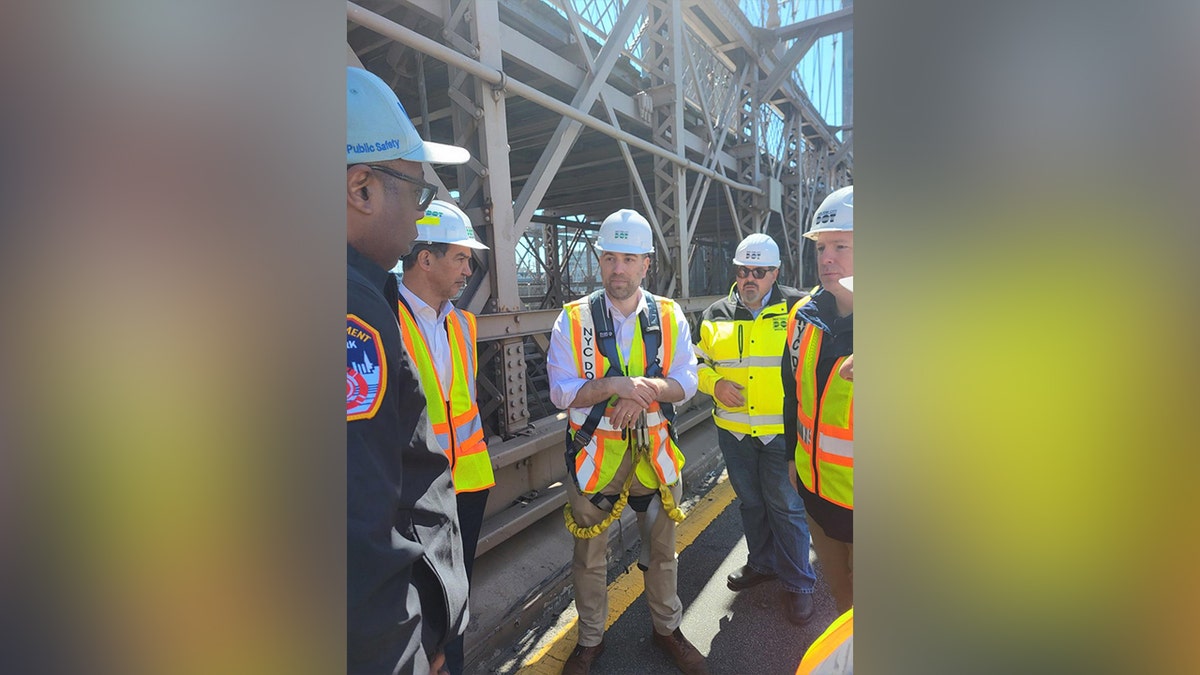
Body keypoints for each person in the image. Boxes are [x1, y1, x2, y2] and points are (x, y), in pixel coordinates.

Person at [345, 65, 470, 675]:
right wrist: (405, 653)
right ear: (362, 188)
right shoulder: (351, 308)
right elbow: (356, 523)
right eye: (416, 192)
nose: (420, 212)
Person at [547, 209, 707, 675]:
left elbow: (686, 382)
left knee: (662, 554)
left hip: (653, 461)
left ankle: (667, 630)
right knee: (590, 560)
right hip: (596, 460)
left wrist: (648, 391)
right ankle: (590, 641)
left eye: (628, 259)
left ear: (646, 264)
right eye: (610, 258)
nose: (618, 269)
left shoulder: (669, 315)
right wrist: (616, 386)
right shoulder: (572, 319)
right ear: (600, 261)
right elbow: (561, 391)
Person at [693, 233, 818, 625]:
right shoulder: (716, 314)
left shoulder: (799, 308)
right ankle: (762, 564)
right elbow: (693, 365)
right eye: (744, 271)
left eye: (759, 272)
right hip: (735, 434)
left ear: (775, 272)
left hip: (781, 432)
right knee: (751, 503)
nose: (750, 279)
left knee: (786, 506)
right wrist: (715, 384)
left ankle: (799, 584)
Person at [395, 199, 494, 675]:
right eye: (460, 257)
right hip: (412, 498)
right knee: (414, 616)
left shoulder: (463, 324)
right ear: (425, 258)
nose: (469, 269)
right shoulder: (381, 318)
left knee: (454, 606)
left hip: (468, 486)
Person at [782, 185, 855, 615]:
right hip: (816, 492)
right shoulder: (803, 315)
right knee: (843, 600)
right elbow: (792, 393)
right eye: (822, 247)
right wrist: (793, 455)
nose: (827, 258)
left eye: (842, 246)